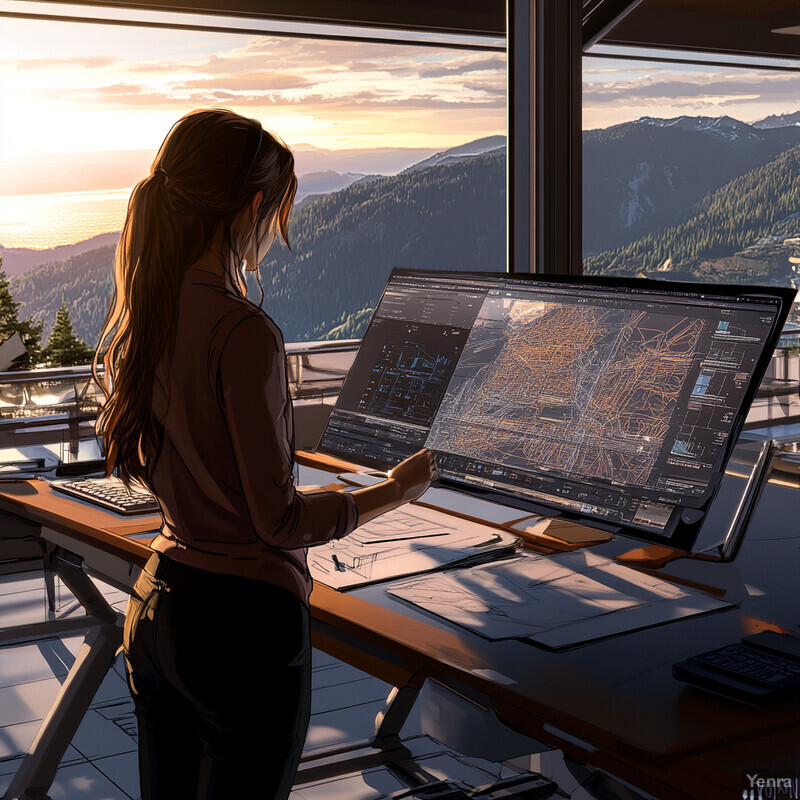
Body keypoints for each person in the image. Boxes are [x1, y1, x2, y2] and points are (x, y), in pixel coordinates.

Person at [92, 107, 437, 800]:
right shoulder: (245, 333)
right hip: (241, 632)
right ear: (252, 206)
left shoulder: (147, 315)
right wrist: (396, 491)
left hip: (158, 607)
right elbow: (279, 523)